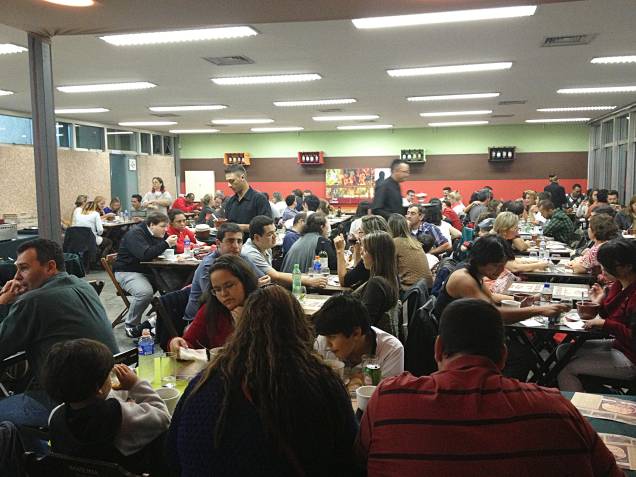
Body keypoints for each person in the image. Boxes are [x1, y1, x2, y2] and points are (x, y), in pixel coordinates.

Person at [357, 298, 622, 477]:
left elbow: (359, 463)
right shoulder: (557, 410)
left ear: (438, 348)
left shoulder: (388, 399)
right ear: (504, 356)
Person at [167, 285, 358, 477]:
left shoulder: (203, 384)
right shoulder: (322, 383)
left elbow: (172, 458)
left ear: (241, 327)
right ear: (300, 327)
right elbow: (350, 457)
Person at [0, 239, 118, 450]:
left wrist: (2, 302)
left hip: (69, 404)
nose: (17, 277)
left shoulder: (32, 301)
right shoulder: (82, 284)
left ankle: (37, 462)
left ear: (50, 266)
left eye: (24, 269)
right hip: (110, 387)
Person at [432, 235, 567, 379]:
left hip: (468, 332)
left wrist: (528, 299)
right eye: (497, 265)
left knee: (522, 352)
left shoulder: (474, 272)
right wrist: (539, 310)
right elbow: (493, 314)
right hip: (457, 340)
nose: (501, 269)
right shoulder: (463, 278)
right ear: (483, 260)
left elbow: (492, 297)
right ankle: (493, 393)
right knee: (521, 357)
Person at [43, 339, 170, 475]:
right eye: (108, 375)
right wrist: (135, 385)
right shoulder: (122, 415)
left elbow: (94, 407)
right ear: (98, 388)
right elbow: (163, 417)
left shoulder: (55, 417)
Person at [558, 239, 636, 391]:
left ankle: (580, 413)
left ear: (627, 266)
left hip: (631, 357)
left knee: (565, 369)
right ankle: (593, 390)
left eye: (607, 266)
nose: (603, 270)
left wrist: (605, 324)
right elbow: (610, 315)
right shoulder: (618, 284)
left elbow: (631, 335)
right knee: (564, 351)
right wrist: (598, 302)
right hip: (619, 345)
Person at [170, 255, 258, 352]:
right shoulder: (211, 309)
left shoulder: (265, 306)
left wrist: (245, 326)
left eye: (229, 286)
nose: (224, 294)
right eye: (217, 289)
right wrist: (178, 343)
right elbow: (189, 343)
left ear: (245, 282)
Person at [113, 213, 178, 337]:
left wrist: (170, 244)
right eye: (163, 226)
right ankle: (131, 325)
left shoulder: (157, 233)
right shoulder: (135, 234)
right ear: (152, 225)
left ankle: (165, 321)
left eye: (166, 227)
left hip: (149, 271)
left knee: (176, 285)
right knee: (145, 293)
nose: (166, 230)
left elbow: (165, 248)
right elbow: (145, 254)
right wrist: (167, 243)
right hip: (128, 271)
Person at [314, 294, 404, 379]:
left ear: (356, 333)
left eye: (332, 337)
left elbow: (388, 393)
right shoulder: (322, 340)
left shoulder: (391, 350)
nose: (327, 344)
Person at [241, 215, 327, 289]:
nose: (275, 236)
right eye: (270, 234)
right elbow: (275, 277)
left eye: (275, 232)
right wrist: (309, 280)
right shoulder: (250, 253)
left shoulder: (266, 247)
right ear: (256, 238)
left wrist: (306, 277)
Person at [354, 231, 400, 335]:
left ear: (377, 255)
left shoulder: (376, 285)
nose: (361, 253)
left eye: (365, 250)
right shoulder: (391, 278)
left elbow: (364, 325)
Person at [334, 215, 388, 290]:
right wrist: (358, 246)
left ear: (370, 234)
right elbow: (358, 270)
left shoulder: (372, 255)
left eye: (360, 232)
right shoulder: (386, 249)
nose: (356, 234)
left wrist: (340, 250)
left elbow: (344, 281)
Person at [387, 213, 432, 289]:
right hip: (426, 288)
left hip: (410, 290)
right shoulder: (414, 241)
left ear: (390, 227)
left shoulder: (394, 243)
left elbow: (389, 271)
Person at [223, 164, 272, 235]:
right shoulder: (230, 202)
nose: (229, 185)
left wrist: (237, 227)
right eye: (227, 181)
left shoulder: (259, 199)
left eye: (232, 181)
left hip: (253, 245)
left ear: (242, 177)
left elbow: (267, 227)